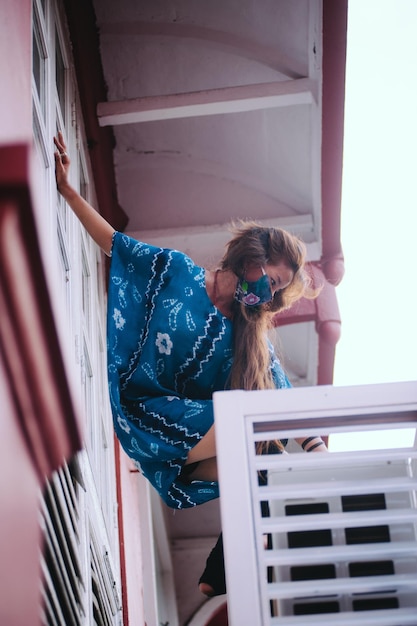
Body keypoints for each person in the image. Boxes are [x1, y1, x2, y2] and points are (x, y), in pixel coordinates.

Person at [54, 132, 328, 595]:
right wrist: (68, 192)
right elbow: (114, 244)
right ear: (254, 256)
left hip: (187, 454)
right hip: (147, 409)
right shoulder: (176, 272)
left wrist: (319, 452)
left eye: (280, 291)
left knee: (270, 457)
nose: (272, 294)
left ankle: (223, 577)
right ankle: (222, 570)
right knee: (251, 433)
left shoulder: (246, 334)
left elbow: (281, 397)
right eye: (273, 280)